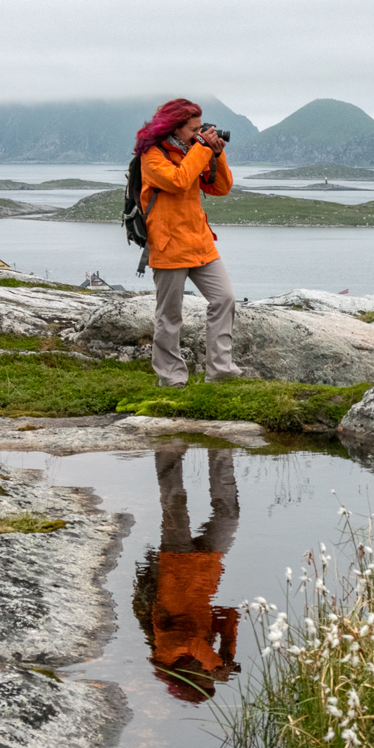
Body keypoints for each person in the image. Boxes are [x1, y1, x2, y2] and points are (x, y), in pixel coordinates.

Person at [132, 99, 242, 387]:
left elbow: (220, 188)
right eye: (192, 129)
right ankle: (171, 378)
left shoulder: (194, 150)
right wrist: (203, 148)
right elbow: (179, 181)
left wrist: (216, 155)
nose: (198, 134)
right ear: (173, 127)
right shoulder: (152, 156)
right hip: (168, 245)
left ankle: (220, 371)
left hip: (200, 242)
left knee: (224, 299)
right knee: (169, 316)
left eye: (199, 129)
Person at [132, 447, 242, 702]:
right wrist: (227, 649)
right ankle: (220, 449)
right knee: (229, 515)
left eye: (206, 681)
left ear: (190, 680)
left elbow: (192, 642)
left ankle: (169, 448)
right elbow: (229, 615)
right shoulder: (201, 654)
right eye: (210, 679)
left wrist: (216, 665)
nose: (208, 675)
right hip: (206, 568)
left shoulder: (166, 654)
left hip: (176, 566)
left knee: (175, 501)